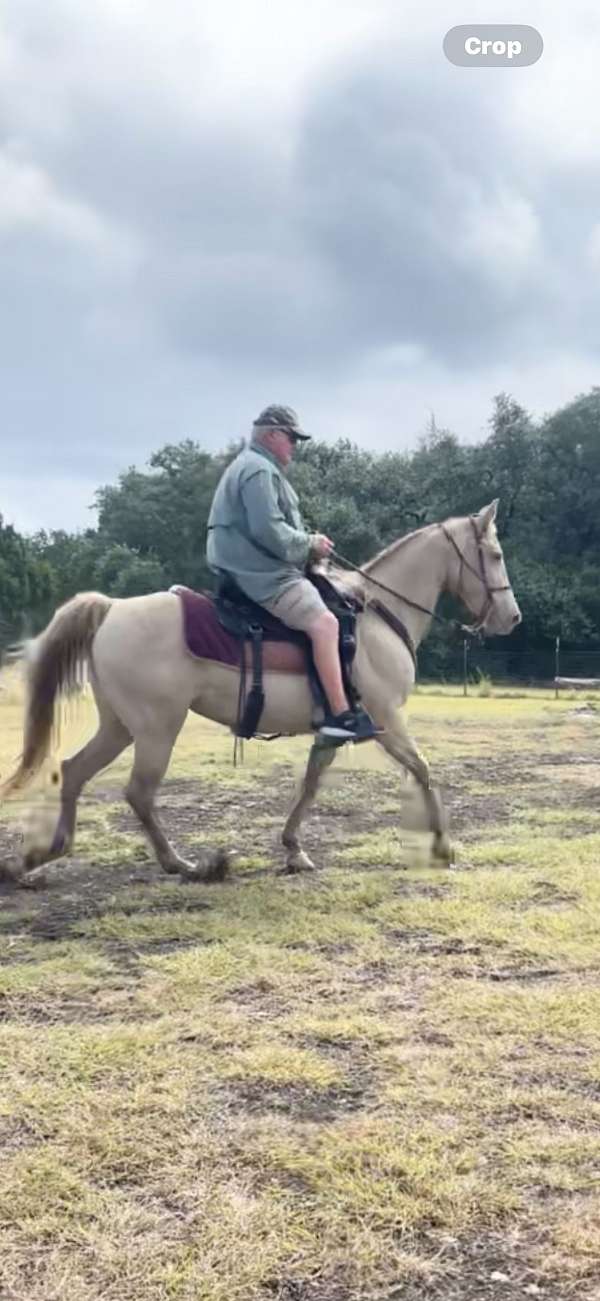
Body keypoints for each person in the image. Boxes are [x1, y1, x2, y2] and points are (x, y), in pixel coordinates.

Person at [206, 404, 380, 741]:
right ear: (272, 435)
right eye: (292, 438)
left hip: (249, 567)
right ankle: (339, 715)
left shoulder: (252, 466)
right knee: (325, 623)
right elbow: (269, 532)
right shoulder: (259, 471)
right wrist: (310, 544)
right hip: (262, 575)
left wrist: (307, 546)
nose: (295, 446)